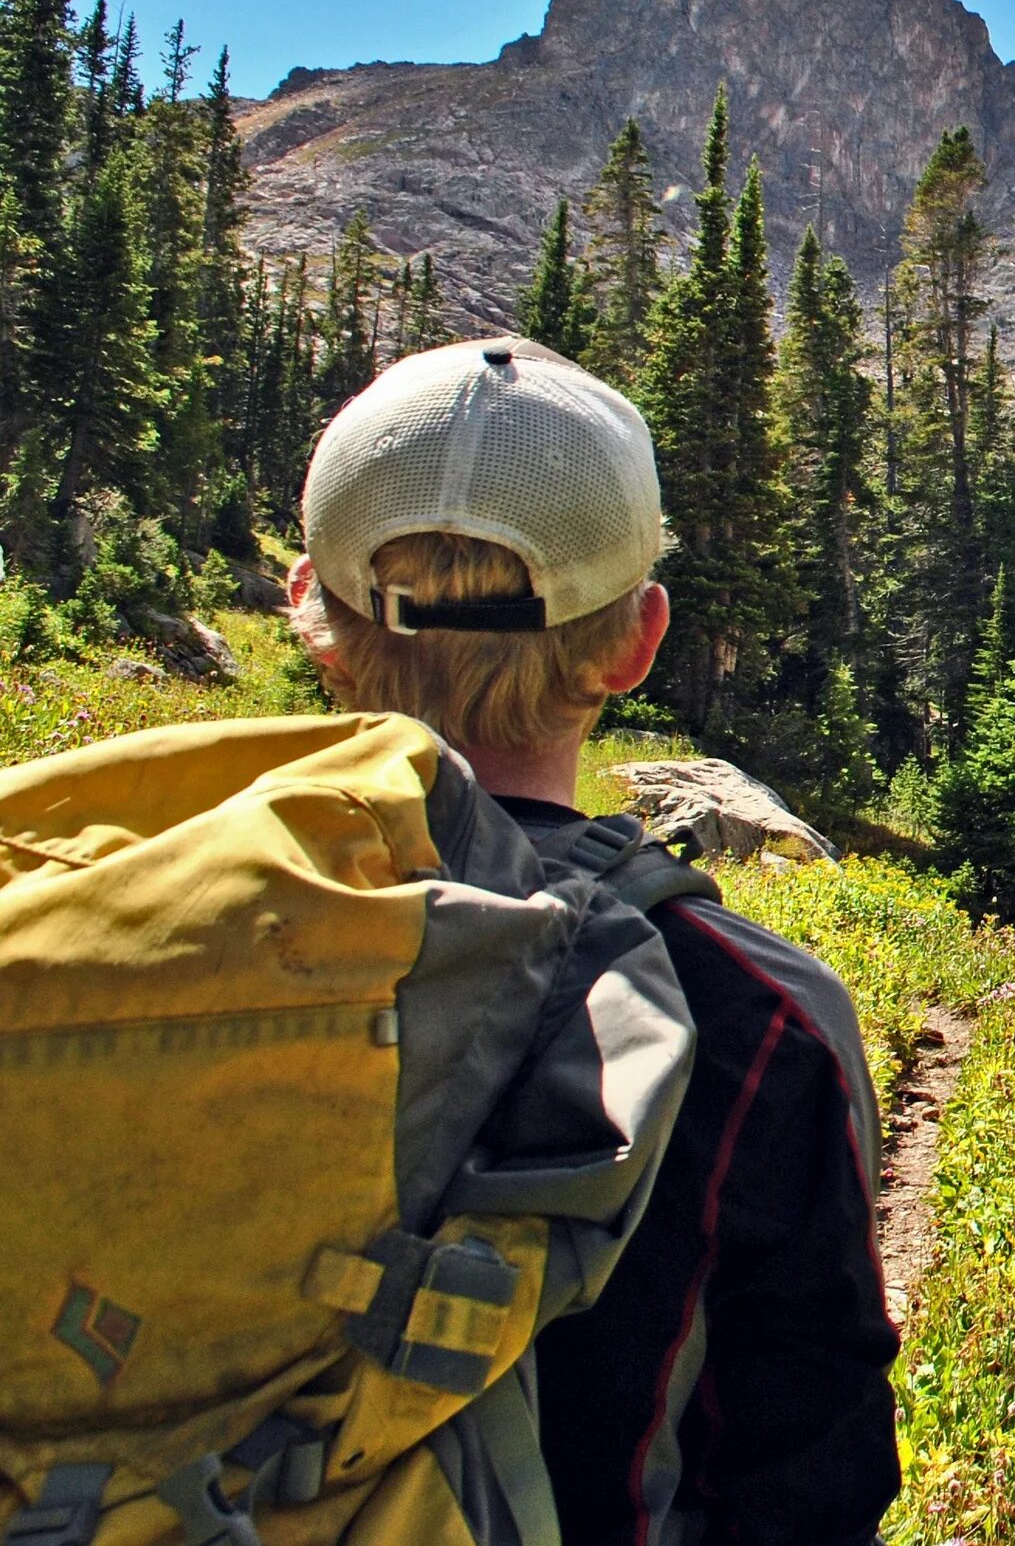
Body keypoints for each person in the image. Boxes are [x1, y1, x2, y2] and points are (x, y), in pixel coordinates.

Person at [287, 335, 902, 1546]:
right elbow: (809, 1480)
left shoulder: (119, 931)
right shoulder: (763, 1017)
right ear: (637, 640)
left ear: (311, 606)